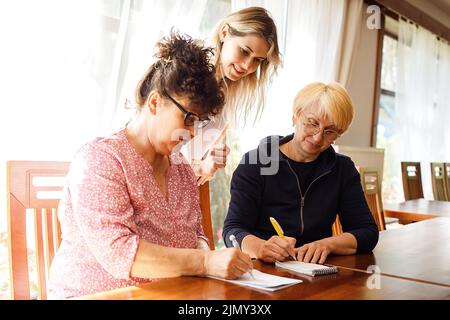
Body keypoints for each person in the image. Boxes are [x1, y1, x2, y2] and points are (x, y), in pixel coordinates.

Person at [48, 32, 253, 299]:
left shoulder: (179, 166)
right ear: (155, 102)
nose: (191, 132)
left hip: (169, 295)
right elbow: (121, 253)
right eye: (188, 118)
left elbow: (197, 234)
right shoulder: (101, 160)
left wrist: (207, 253)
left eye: (198, 122)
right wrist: (204, 263)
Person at [222, 82, 379, 264]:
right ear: (296, 116)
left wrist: (327, 245)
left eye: (330, 131)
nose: (318, 137)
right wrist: (260, 248)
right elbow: (233, 230)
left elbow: (367, 232)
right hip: (263, 271)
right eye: (312, 123)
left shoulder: (342, 169)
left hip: (317, 272)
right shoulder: (255, 163)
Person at [184, 6, 282, 184]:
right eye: (245, 51)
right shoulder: (185, 76)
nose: (247, 66)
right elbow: (158, 156)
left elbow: (191, 170)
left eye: (258, 60)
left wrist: (206, 166)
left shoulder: (229, 97)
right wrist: (201, 167)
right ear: (224, 33)